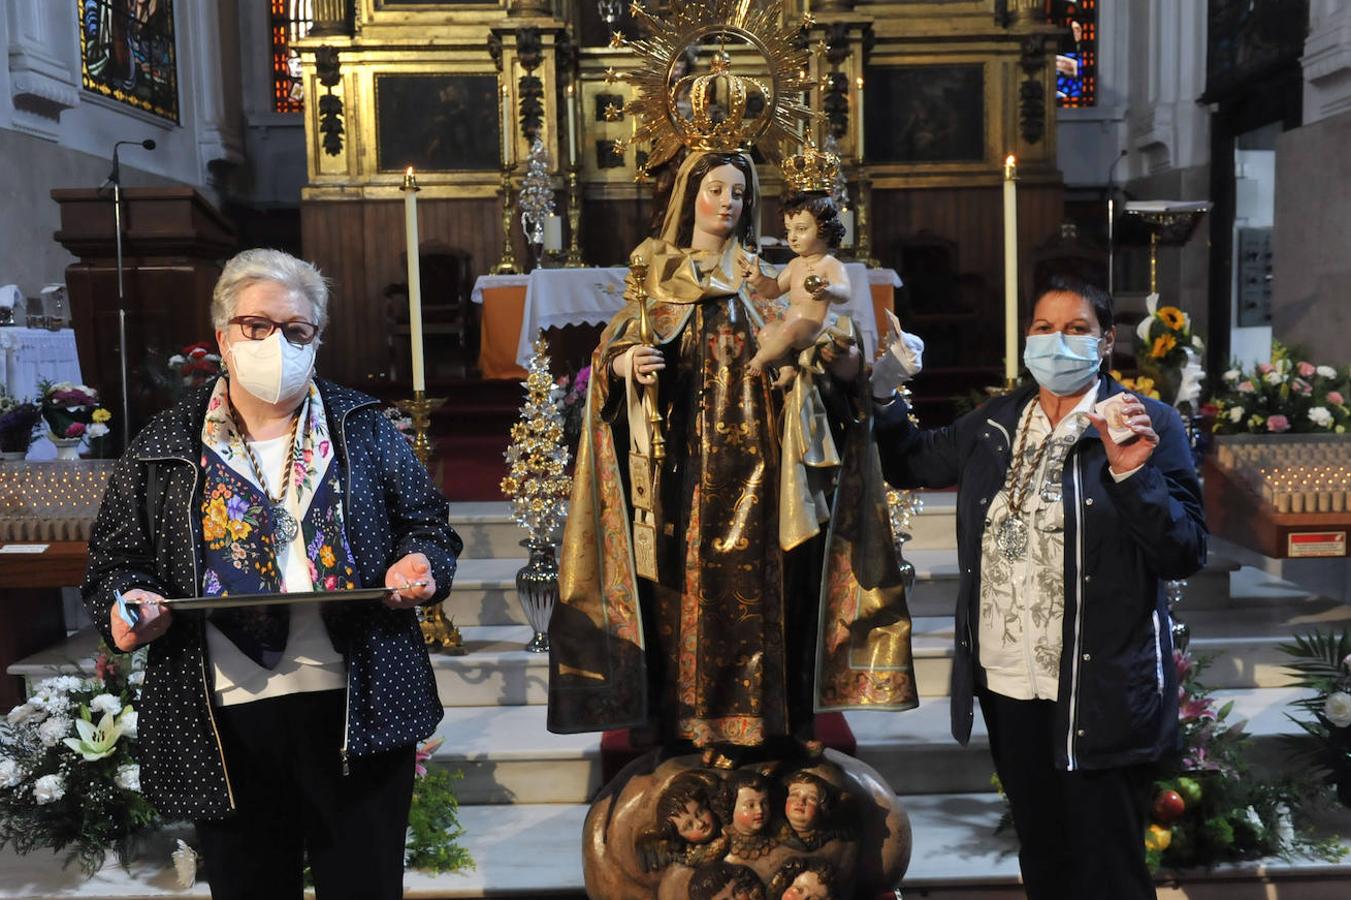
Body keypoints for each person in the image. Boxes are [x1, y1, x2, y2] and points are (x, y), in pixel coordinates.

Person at [82, 248, 461, 900]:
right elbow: (116, 561)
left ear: (318, 338)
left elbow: (427, 525)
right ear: (223, 334)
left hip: (357, 701)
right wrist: (128, 599)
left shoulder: (362, 427)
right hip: (224, 718)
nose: (275, 343)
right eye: (256, 326)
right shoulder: (162, 442)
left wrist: (420, 561)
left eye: (296, 330)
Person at [546, 150, 916, 762]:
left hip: (766, 475)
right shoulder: (658, 276)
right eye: (714, 188)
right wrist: (623, 363)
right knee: (676, 596)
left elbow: (824, 356)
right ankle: (679, 730)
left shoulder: (768, 275)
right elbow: (612, 357)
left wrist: (847, 362)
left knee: (773, 595)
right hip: (680, 475)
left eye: (739, 193)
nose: (727, 202)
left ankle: (774, 727)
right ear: (688, 194)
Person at [870, 274, 1206, 900]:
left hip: (1099, 685)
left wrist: (1133, 474)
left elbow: (1183, 550)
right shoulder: (997, 421)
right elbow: (912, 461)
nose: (1059, 342)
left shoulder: (1146, 422)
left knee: (1108, 870)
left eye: (1077, 329)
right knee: (1045, 860)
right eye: (1044, 329)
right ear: (1027, 338)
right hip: (1009, 683)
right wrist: (886, 394)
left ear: (1106, 343)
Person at [743, 192, 851, 385]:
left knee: (787, 331)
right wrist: (758, 279)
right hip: (792, 326)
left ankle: (760, 359)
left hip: (814, 327)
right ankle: (786, 369)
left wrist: (830, 290)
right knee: (767, 332)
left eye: (800, 229)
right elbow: (774, 290)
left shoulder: (830, 264)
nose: (792, 238)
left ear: (824, 230)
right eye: (788, 231)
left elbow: (845, 293)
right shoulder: (795, 264)